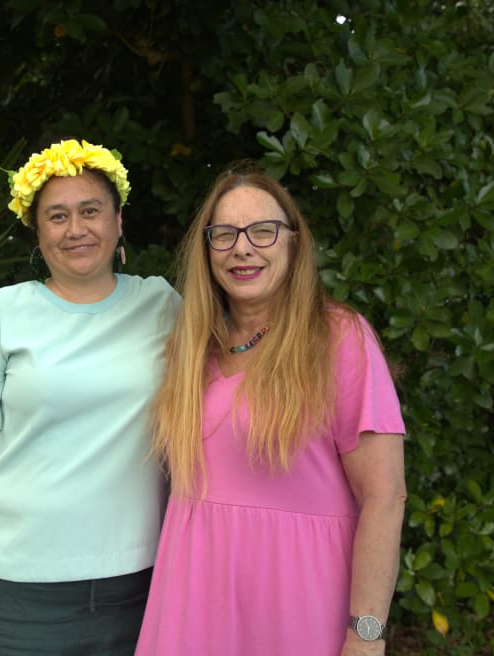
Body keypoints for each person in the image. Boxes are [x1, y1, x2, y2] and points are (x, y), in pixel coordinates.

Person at [135, 163, 407, 656]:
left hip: (299, 607)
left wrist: (366, 635)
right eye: (224, 234)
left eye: (263, 231)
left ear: (294, 243)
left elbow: (386, 497)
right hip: (193, 603)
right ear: (207, 249)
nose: (243, 248)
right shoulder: (193, 347)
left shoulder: (339, 338)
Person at [0, 139, 180, 656]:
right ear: (38, 231)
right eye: (57, 216)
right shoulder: (0, 314)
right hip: (13, 588)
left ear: (118, 220)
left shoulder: (162, 306)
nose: (76, 229)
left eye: (91, 210)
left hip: (140, 584)